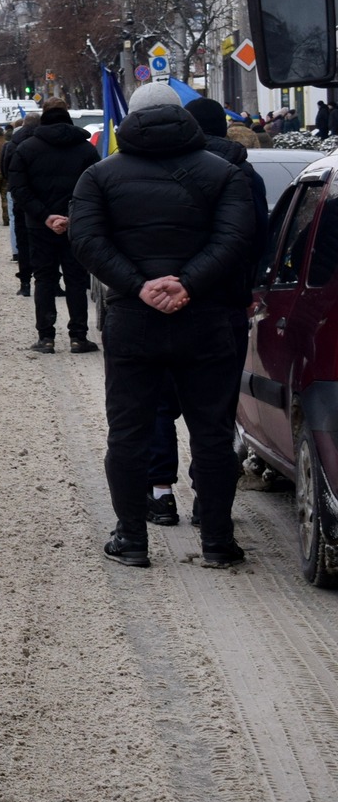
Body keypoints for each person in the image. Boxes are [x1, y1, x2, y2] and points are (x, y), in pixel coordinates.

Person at [69, 91, 259, 569]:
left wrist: (139, 286)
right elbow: (236, 238)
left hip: (134, 320)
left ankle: (131, 539)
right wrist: (187, 283)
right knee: (212, 433)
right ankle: (217, 541)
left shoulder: (99, 175)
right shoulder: (224, 173)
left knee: (128, 433)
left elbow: (86, 239)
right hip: (207, 318)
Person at [147, 96, 270, 527]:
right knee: (214, 410)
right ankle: (208, 503)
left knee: (159, 404)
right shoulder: (245, 174)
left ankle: (160, 494)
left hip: (162, 304)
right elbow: (257, 239)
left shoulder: (163, 168)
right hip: (223, 306)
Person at [9, 101, 100, 353]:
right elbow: (95, 188)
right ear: (68, 118)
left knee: (44, 279)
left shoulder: (26, 149)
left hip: (39, 227)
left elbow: (18, 189)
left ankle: (46, 338)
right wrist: (71, 217)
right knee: (76, 279)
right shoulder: (86, 149)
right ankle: (78, 337)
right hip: (76, 226)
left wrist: (46, 216)